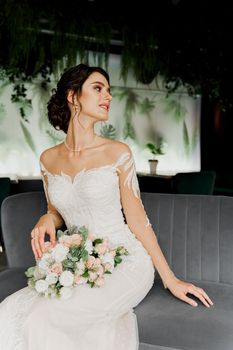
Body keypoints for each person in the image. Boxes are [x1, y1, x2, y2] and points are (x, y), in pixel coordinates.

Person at [0, 63, 213, 350]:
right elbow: (56, 210)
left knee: (47, 317)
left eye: (109, 91)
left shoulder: (117, 153)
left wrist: (170, 279)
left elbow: (138, 221)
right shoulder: (48, 159)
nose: (108, 97)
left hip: (126, 262)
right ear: (73, 96)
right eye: (98, 88)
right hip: (80, 263)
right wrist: (46, 219)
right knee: (9, 311)